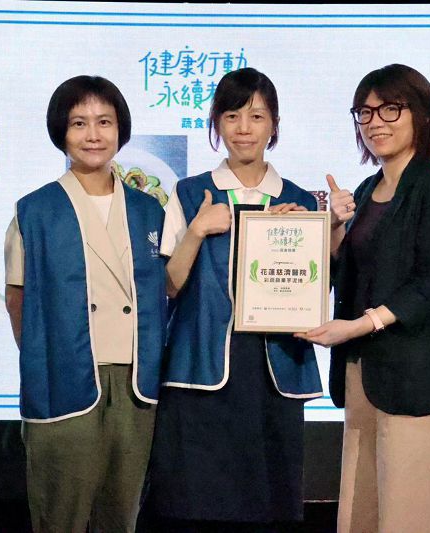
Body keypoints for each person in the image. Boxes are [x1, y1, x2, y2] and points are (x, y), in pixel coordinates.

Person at [296, 63, 430, 533]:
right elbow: (350, 278)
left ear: (422, 114)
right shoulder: (365, 190)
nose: (375, 122)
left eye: (390, 109)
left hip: (420, 383)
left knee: (417, 518)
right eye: (365, 112)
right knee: (363, 515)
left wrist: (361, 325)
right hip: (363, 377)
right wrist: (333, 228)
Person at [144, 67, 322, 532]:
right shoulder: (189, 193)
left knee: (268, 505)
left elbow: (313, 292)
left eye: (257, 116)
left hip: (272, 369)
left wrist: (303, 234)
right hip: (200, 365)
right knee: (193, 503)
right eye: (232, 116)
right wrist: (197, 230)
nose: (245, 128)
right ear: (216, 123)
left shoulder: (300, 202)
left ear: (274, 125)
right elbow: (169, 286)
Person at [3, 75, 166, 533]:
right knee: (61, 513)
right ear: (61, 131)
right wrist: (45, 358)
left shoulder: (149, 209)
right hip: (64, 376)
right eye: (79, 123)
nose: (93, 134)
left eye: (104, 122)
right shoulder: (34, 210)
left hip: (134, 382)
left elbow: (168, 288)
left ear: (121, 130)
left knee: (121, 513)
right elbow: (17, 300)